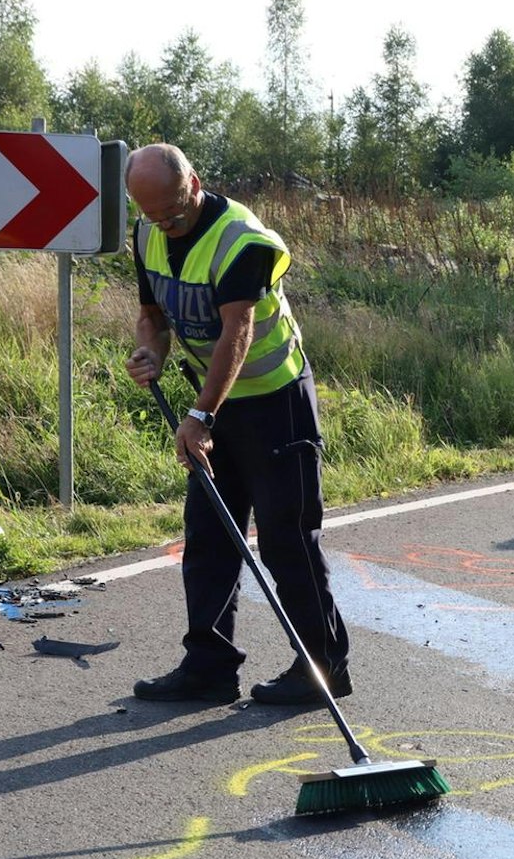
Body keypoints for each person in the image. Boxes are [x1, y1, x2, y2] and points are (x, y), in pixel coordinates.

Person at [122, 143, 352, 706]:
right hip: (215, 402)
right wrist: (149, 350)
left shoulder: (242, 239)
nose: (165, 227)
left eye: (173, 213)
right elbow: (153, 315)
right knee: (208, 537)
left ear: (194, 184)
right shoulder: (147, 233)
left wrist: (201, 416)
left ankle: (323, 667)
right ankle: (209, 666)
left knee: (287, 540)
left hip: (276, 403)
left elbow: (238, 333)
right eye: (153, 215)